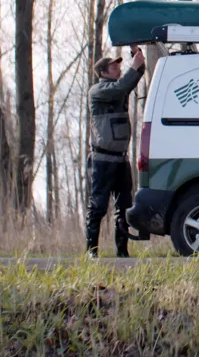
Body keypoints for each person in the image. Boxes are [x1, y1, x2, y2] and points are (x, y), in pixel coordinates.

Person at [86, 45, 146, 258]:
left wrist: (135, 53)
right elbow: (122, 88)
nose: (117, 69)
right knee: (98, 206)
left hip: (121, 160)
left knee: (124, 206)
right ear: (103, 73)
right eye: (113, 66)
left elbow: (136, 75)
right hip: (103, 160)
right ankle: (91, 251)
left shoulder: (120, 87)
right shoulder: (99, 91)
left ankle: (122, 251)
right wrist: (133, 68)